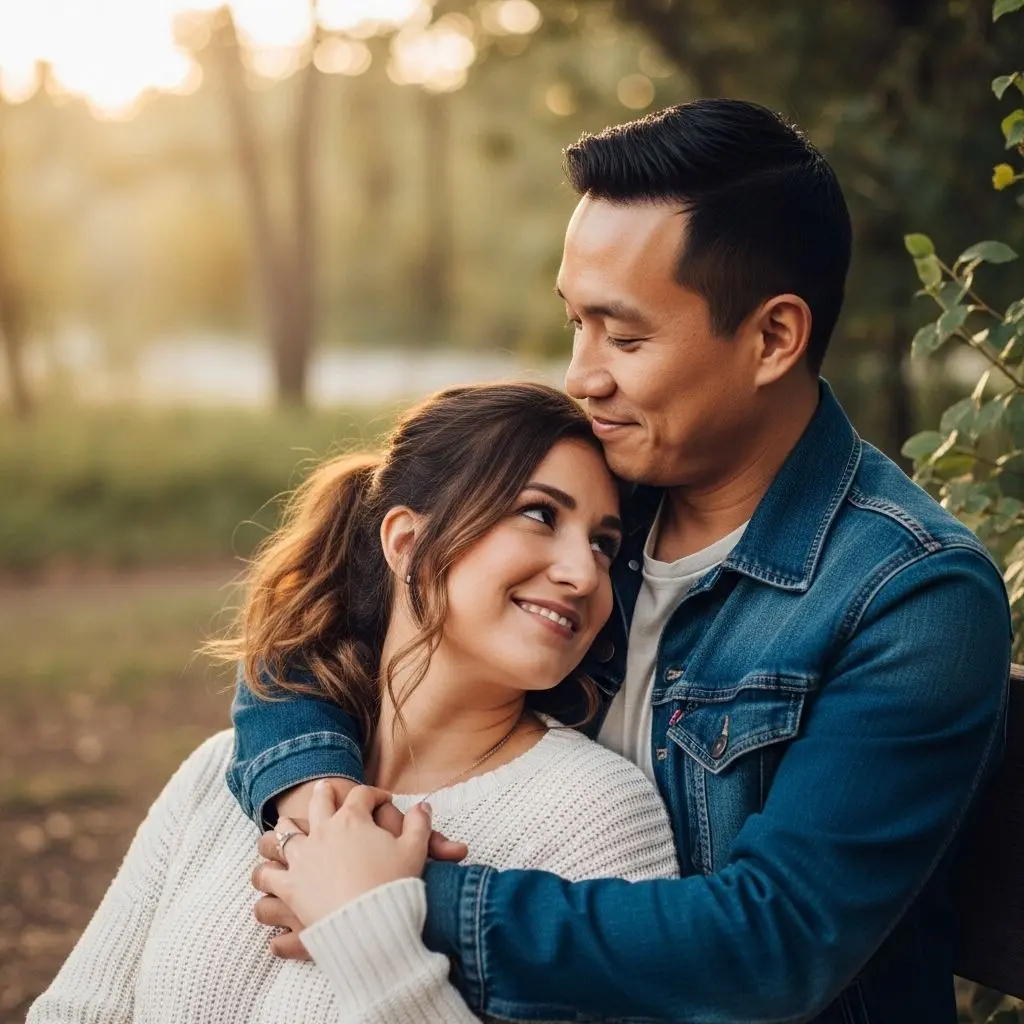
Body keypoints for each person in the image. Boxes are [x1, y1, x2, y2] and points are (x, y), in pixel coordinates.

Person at [235, 99, 1012, 1023]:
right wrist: (313, 792)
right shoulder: (591, 499)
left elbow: (775, 944)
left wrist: (393, 897)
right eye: (576, 322)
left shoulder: (910, 593)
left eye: (626, 336)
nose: (582, 375)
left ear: (773, 338)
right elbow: (321, 620)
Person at [26, 383, 679, 1024]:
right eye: (540, 515)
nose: (584, 574)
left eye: (604, 544)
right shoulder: (226, 771)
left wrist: (370, 939)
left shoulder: (601, 815)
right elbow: (77, 1010)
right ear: (405, 541)